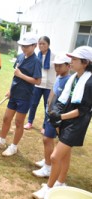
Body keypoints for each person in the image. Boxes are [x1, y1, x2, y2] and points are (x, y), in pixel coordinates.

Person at [32, 46, 92, 199]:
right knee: (65, 154)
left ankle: (49, 189)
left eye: (74, 59)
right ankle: (61, 182)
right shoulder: (75, 78)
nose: (71, 62)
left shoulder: (89, 82)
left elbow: (82, 110)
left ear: (85, 62)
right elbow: (62, 100)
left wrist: (60, 117)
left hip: (77, 123)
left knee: (54, 157)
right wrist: (55, 112)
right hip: (66, 118)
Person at [0, 32, 42, 156]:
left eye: (26, 46)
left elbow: (37, 81)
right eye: (22, 45)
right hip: (15, 93)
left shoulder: (36, 61)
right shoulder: (20, 56)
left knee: (18, 122)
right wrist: (10, 90)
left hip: (26, 96)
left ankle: (14, 146)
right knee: (6, 118)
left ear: (34, 46)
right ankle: (1, 140)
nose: (24, 48)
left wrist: (21, 75)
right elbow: (15, 75)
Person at [32, 54, 71, 178]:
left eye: (60, 66)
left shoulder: (68, 81)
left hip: (57, 116)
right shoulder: (60, 77)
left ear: (68, 66)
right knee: (47, 139)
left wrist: (57, 115)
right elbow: (52, 94)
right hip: (50, 112)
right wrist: (47, 108)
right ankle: (47, 160)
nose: (57, 68)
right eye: (56, 65)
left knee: (47, 139)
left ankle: (48, 167)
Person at [24, 36, 56, 133]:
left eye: (44, 44)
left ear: (48, 45)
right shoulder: (36, 56)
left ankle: (45, 126)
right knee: (33, 104)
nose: (41, 45)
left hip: (49, 86)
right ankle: (30, 122)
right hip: (37, 84)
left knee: (47, 106)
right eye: (40, 44)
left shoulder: (54, 56)